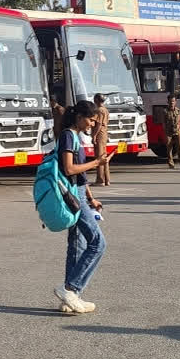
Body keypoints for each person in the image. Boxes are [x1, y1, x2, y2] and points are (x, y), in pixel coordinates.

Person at [54, 101, 108, 314]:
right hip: (72, 195)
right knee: (98, 243)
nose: (92, 124)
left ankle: (70, 298)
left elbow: (80, 176)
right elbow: (69, 169)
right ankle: (70, 289)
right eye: (91, 120)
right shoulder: (68, 135)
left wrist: (91, 198)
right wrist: (96, 163)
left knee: (77, 245)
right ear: (79, 117)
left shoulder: (75, 136)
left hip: (78, 193)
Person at [161, 94, 180, 169]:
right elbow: (163, 123)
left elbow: (179, 121)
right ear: (167, 102)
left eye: (173, 101)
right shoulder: (165, 111)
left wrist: (178, 129)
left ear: (175, 102)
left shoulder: (178, 110)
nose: (172, 103)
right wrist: (165, 132)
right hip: (168, 132)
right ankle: (171, 164)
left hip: (177, 131)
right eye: (170, 101)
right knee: (169, 148)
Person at [92, 94, 111, 186]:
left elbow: (98, 124)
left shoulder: (99, 110)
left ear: (96, 100)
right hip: (104, 134)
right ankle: (107, 179)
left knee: (99, 157)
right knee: (104, 157)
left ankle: (100, 180)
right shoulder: (105, 110)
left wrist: (94, 135)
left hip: (99, 134)